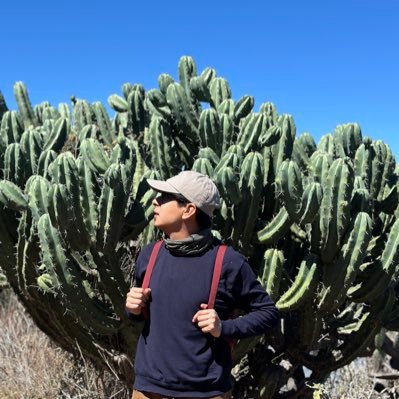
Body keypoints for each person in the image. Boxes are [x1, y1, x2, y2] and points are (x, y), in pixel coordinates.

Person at [125, 171, 280, 399]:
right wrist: (133, 309)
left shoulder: (227, 262)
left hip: (205, 393)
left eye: (165, 197)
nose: (155, 201)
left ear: (188, 210)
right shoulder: (150, 255)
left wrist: (224, 328)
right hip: (148, 391)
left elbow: (268, 313)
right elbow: (142, 316)